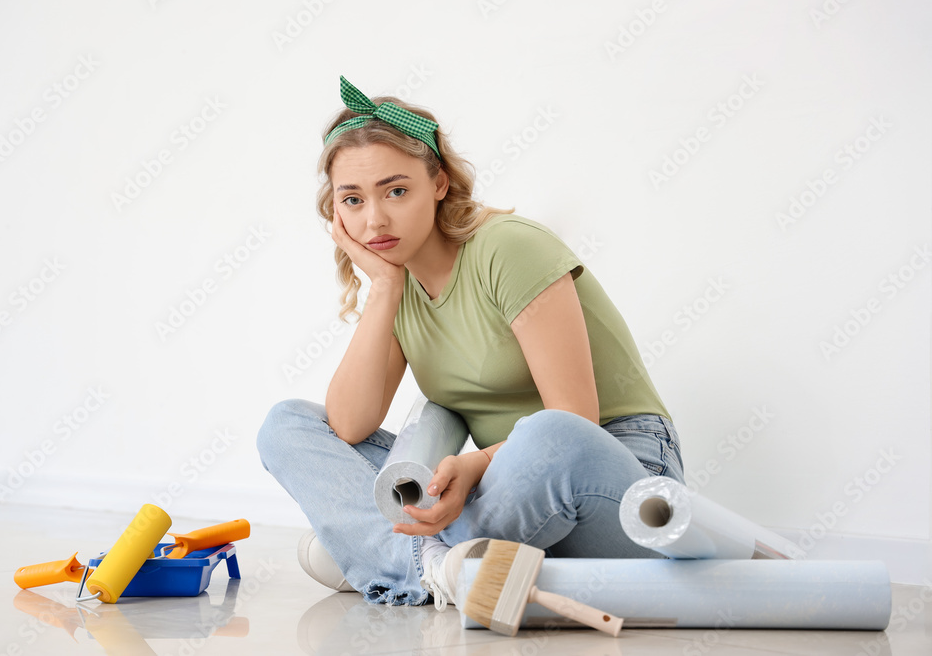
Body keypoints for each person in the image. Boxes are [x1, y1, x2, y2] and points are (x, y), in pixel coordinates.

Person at [257, 76, 685, 608]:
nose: (375, 219)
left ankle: (387, 561)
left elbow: (576, 422)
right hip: (495, 491)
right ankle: (441, 568)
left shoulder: (508, 248)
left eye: (396, 190)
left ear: (438, 182)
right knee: (288, 425)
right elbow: (348, 426)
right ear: (336, 213)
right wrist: (386, 288)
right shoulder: (399, 282)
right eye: (353, 199)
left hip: (610, 468)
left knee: (551, 433)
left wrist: (476, 465)